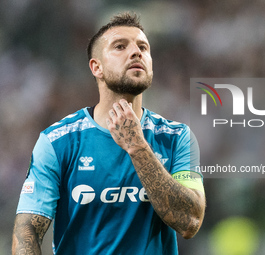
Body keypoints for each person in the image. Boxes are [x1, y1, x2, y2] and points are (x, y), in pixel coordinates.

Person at [12, 12, 205, 255]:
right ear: (97, 67)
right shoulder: (57, 142)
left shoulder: (176, 138)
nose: (136, 52)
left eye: (143, 47)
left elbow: (189, 222)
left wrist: (137, 147)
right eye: (120, 46)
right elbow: (26, 232)